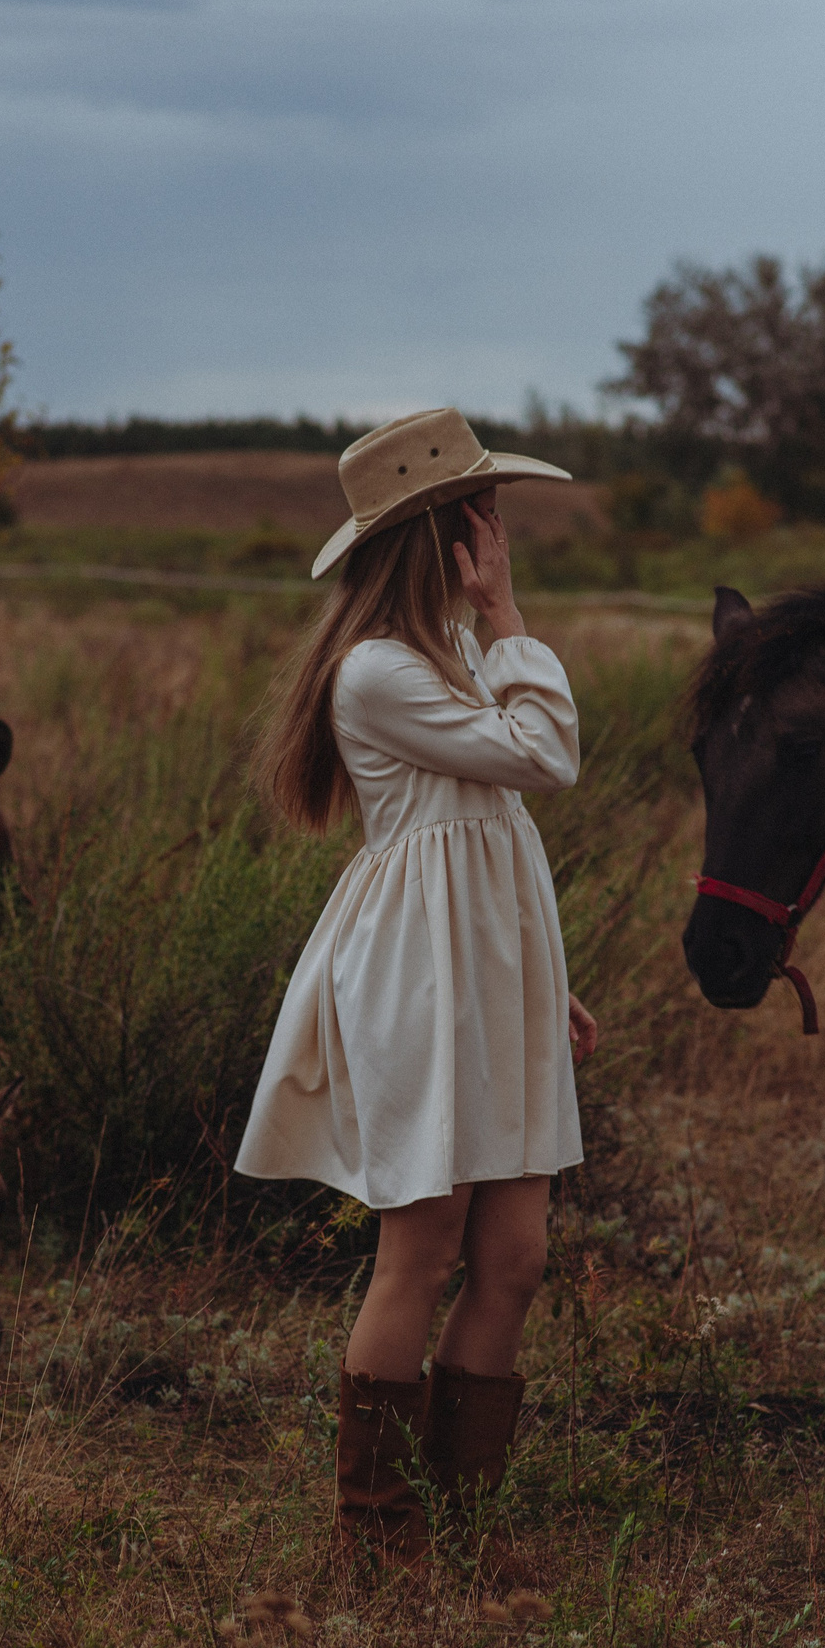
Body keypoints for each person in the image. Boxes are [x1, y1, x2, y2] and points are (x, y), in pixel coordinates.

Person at [241, 407, 596, 1579]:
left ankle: (456, 1524)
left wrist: (543, 988)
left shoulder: (436, 660)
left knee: (515, 1257)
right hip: (419, 982)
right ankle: (378, 1540)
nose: (499, 538)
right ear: (440, 536)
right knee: (423, 1250)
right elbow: (543, 757)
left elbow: (491, 827)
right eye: (482, 519)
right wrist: (508, 616)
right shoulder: (381, 670)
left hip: (488, 975)